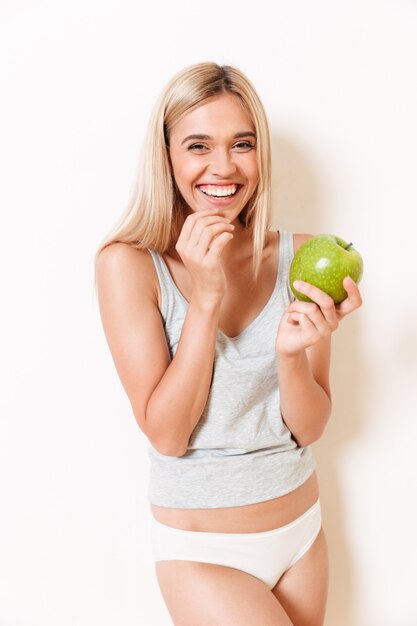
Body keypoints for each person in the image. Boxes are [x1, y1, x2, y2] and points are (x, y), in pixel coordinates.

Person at [94, 62, 362, 626]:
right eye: (198, 145)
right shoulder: (129, 265)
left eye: (243, 144)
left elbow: (309, 428)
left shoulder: (303, 255)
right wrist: (207, 299)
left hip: (300, 536)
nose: (223, 167)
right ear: (166, 157)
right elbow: (166, 433)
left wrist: (291, 356)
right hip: (203, 553)